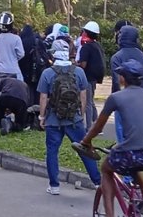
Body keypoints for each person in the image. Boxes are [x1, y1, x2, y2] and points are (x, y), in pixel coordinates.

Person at [79, 60, 143, 217]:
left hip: (130, 153)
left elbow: (98, 127)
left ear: (123, 78)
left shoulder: (116, 97)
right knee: (131, 159)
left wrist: (86, 141)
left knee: (106, 168)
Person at [38, 38, 100, 195]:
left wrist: (42, 116)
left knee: (52, 151)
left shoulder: (47, 73)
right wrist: (81, 113)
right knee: (84, 150)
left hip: (53, 119)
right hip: (74, 119)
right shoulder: (78, 72)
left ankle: (54, 186)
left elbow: (44, 97)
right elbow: (84, 96)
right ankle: (98, 182)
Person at [109, 24, 143, 141]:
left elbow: (116, 82)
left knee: (122, 132)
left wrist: (116, 100)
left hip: (123, 101)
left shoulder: (117, 57)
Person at [76, 21, 105, 129]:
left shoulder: (86, 47)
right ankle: (97, 124)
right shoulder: (97, 46)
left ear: (86, 33)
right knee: (91, 101)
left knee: (87, 102)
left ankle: (88, 127)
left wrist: (76, 63)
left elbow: (83, 64)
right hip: (94, 78)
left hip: (87, 77)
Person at [0, 11, 24, 80]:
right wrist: (13, 58)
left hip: (0, 70)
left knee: (3, 89)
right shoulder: (16, 38)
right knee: (19, 89)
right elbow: (21, 54)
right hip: (13, 70)